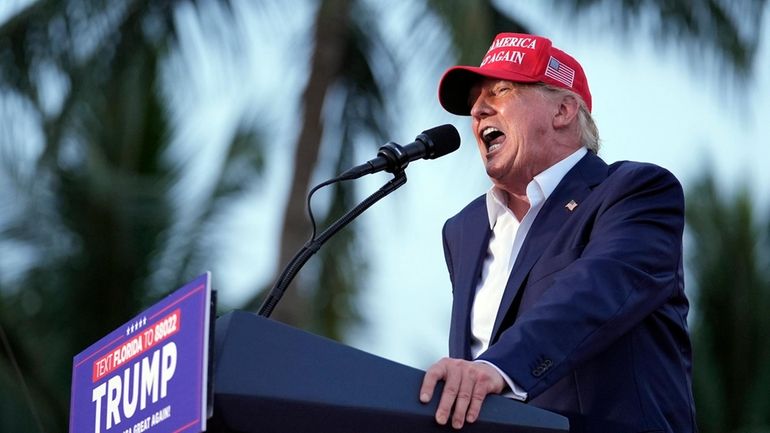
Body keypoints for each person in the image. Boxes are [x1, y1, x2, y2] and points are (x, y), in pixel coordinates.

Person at [418, 33, 697, 433]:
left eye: (501, 90)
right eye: (475, 102)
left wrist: (497, 368)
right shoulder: (463, 230)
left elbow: (593, 293)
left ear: (563, 110)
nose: (478, 110)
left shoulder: (637, 192)